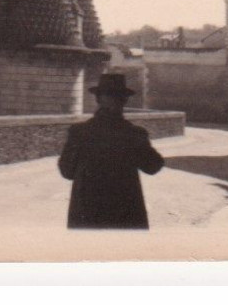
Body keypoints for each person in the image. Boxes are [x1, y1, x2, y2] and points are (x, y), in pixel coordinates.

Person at [58, 73, 165, 229]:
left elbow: (67, 171)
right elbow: (154, 166)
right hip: (124, 215)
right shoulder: (134, 134)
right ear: (124, 101)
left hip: (87, 214)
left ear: (98, 99)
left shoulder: (79, 132)